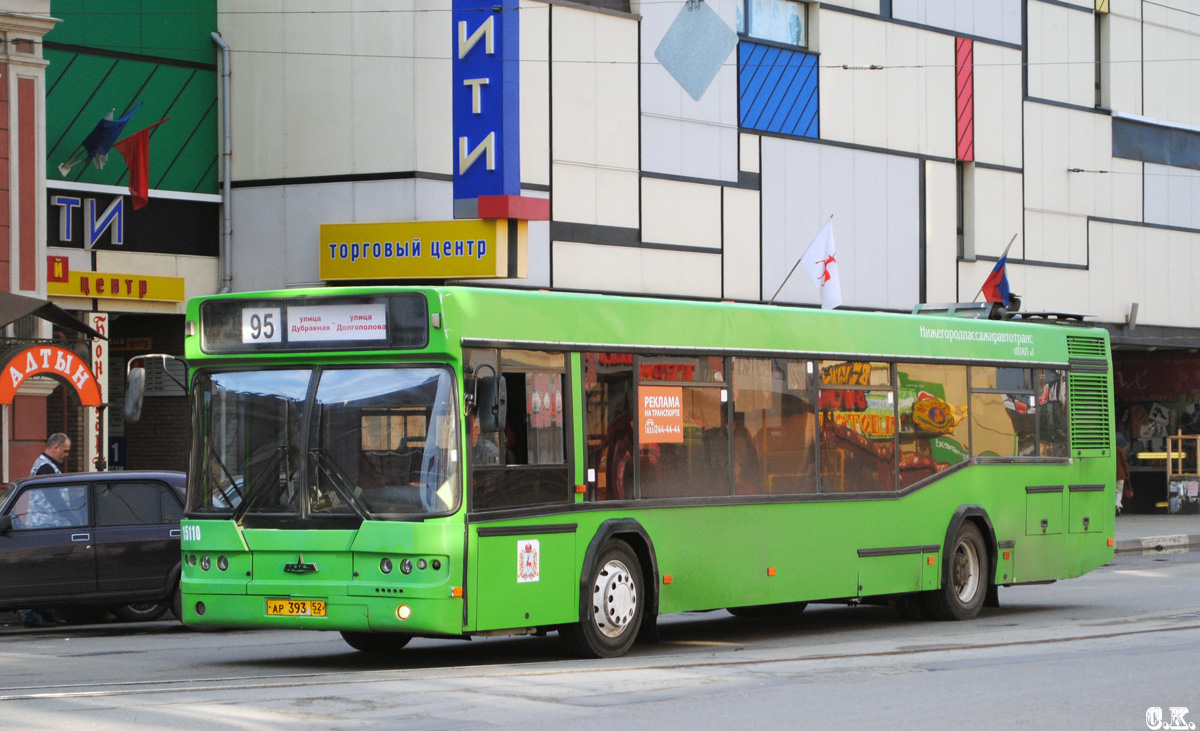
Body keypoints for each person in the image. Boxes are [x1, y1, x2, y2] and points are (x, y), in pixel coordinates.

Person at [21, 434, 71, 628]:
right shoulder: (45, 467)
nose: (66, 455)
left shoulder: (45, 465)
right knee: (45, 572)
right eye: (65, 450)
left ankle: (48, 612)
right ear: (55, 447)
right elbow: (55, 499)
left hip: (48, 525)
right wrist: (72, 516)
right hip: (47, 526)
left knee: (51, 572)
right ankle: (33, 614)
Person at [1116, 432, 1130, 516]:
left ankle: (1113, 505)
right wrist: (1127, 474)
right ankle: (1117, 505)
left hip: (1111, 474)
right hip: (1120, 474)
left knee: (1113, 491)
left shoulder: (1110, 449)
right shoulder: (1120, 450)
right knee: (1119, 491)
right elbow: (1124, 463)